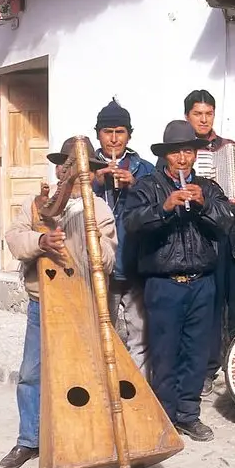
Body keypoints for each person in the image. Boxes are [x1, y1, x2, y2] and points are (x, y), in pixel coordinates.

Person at [0, 136, 117, 468]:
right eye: (68, 167)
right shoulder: (37, 204)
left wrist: (90, 231)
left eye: (82, 170)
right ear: (59, 168)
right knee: (32, 373)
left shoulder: (101, 209)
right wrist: (41, 240)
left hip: (85, 303)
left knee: (88, 373)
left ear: (91, 173)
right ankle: (28, 441)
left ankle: (86, 437)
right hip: (43, 302)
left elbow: (108, 261)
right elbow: (15, 240)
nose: (74, 174)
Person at [125, 120, 234, 442]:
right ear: (166, 156)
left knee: (196, 353)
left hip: (202, 281)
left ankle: (189, 414)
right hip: (164, 283)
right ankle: (165, 416)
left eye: (188, 151)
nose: (183, 159)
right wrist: (164, 207)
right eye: (176, 153)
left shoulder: (208, 188)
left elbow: (226, 223)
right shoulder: (146, 187)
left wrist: (205, 205)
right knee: (165, 352)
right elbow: (132, 224)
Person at [179, 89, 235, 396]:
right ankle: (207, 369)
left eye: (208, 114)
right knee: (210, 304)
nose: (203, 119)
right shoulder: (179, 150)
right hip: (202, 236)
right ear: (187, 116)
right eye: (197, 114)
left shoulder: (230, 149)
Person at [90, 99, 156, 378]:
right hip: (98, 268)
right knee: (99, 334)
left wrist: (136, 186)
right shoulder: (85, 167)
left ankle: (135, 394)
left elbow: (158, 205)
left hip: (134, 264)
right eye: (108, 132)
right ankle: (104, 390)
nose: (114, 139)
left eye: (120, 132)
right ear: (97, 134)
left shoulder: (145, 170)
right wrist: (92, 182)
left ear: (129, 134)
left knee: (140, 336)